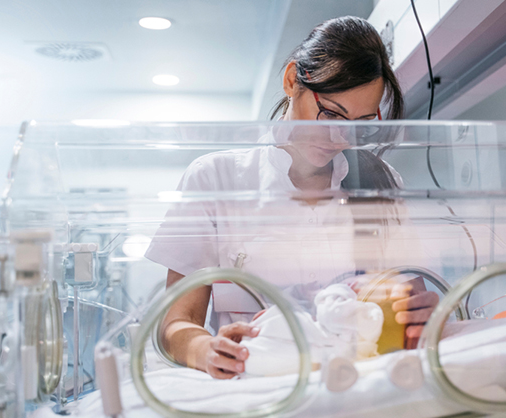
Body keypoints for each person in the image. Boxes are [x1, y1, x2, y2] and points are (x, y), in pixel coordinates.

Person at [145, 16, 438, 380]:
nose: (338, 137)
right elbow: (176, 323)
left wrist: (422, 313)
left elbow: (412, 299)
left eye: (359, 124)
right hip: (258, 388)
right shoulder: (215, 179)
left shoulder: (380, 183)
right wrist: (206, 349)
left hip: (357, 387)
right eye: (330, 112)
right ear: (290, 81)